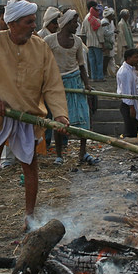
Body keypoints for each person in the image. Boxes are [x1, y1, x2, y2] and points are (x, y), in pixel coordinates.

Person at [0, 0, 69, 240]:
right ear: (12, 24)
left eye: (34, 21)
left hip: (26, 115)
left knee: (29, 165)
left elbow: (52, 83)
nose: (33, 26)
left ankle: (30, 219)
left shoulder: (40, 47)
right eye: (29, 22)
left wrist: (61, 114)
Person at [45, 9, 93, 165]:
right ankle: (59, 155)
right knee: (59, 120)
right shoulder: (50, 41)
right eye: (74, 22)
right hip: (58, 85)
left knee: (83, 117)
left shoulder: (78, 42)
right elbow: (42, 63)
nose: (77, 25)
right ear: (66, 23)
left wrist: (86, 84)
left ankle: (83, 152)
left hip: (76, 83)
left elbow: (81, 65)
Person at [116, 48, 138, 137]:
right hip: (128, 104)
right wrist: (132, 108)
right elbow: (126, 92)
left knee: (134, 127)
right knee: (130, 129)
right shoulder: (124, 72)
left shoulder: (131, 70)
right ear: (128, 58)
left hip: (134, 101)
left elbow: (136, 86)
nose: (137, 59)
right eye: (135, 57)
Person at [80, 4, 105, 81]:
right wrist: (102, 43)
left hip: (89, 43)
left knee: (92, 61)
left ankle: (93, 77)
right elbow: (100, 34)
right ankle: (100, 77)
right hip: (97, 44)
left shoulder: (85, 19)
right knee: (99, 62)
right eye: (97, 11)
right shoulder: (97, 21)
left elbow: (82, 31)